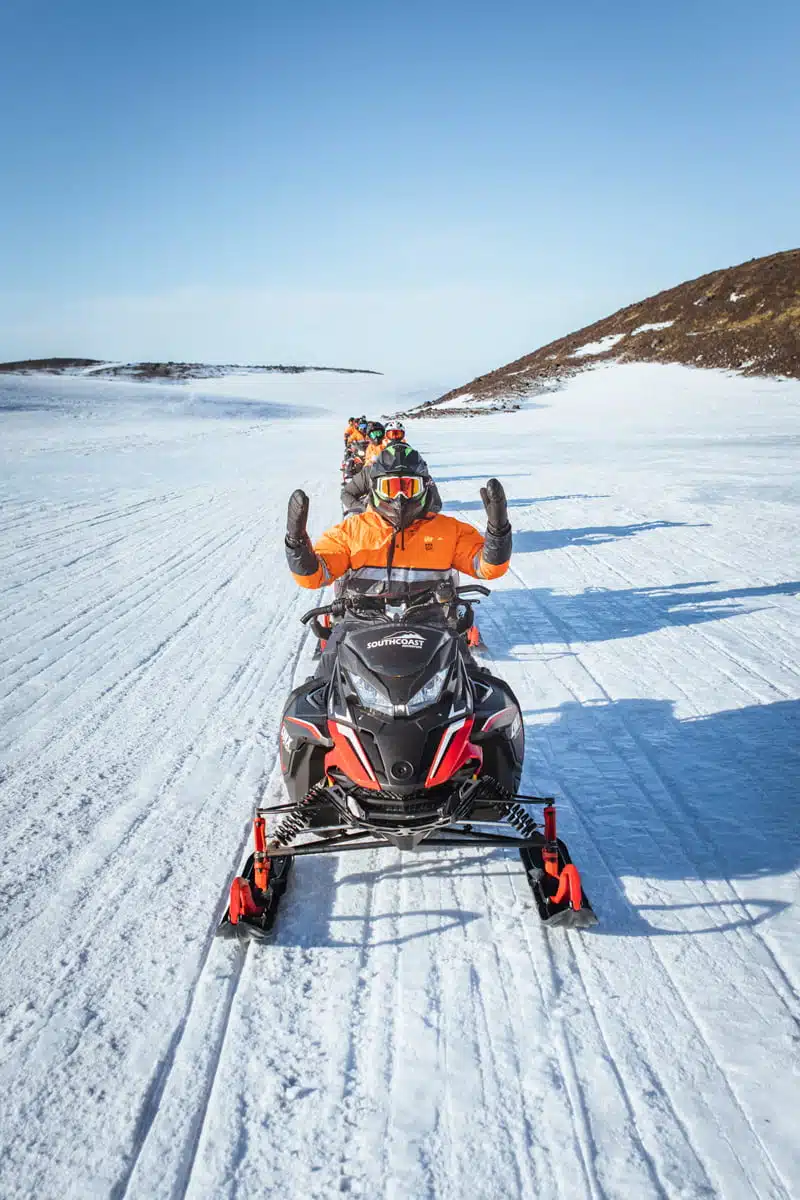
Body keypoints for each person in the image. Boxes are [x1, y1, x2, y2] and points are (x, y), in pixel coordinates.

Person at [285, 449, 511, 595]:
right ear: (375, 490)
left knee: (466, 667)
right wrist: (297, 544)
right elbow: (315, 576)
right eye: (391, 488)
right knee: (329, 666)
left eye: (409, 487)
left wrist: (498, 533)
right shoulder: (351, 531)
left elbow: (486, 568)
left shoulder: (449, 531)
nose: (400, 497)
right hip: (361, 625)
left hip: (433, 626)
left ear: (425, 489)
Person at [341, 444, 442, 516]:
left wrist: (422, 516)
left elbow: (436, 503)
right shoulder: (369, 472)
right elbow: (347, 493)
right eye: (390, 485)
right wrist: (363, 509)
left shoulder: (420, 475)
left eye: (411, 485)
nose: (400, 497)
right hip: (376, 519)